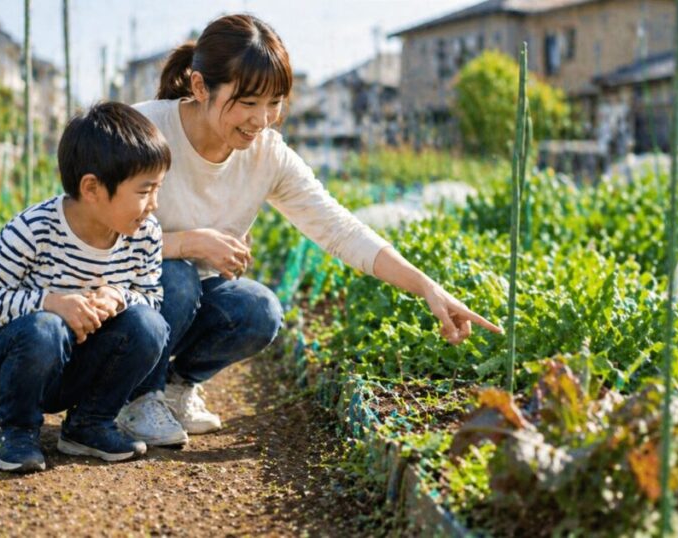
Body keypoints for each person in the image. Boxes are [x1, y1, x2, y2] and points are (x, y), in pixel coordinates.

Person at [118, 14, 502, 447]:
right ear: (201, 87)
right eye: (247, 103)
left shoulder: (267, 156)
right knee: (179, 275)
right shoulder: (144, 130)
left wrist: (428, 287)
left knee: (259, 310)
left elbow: (339, 228)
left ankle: (173, 387)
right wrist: (184, 243)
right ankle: (133, 395)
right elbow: (86, 232)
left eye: (274, 102)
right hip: (121, 302)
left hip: (188, 300)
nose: (262, 119)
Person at [0, 102, 172, 472]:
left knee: (149, 324)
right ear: (92, 188)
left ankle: (89, 424)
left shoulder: (145, 235)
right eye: (144, 191)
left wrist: (120, 296)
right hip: (2, 370)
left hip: (71, 369)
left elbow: (152, 299)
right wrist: (50, 302)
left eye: (158, 189)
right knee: (46, 326)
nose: (154, 204)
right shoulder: (35, 228)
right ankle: (17, 430)